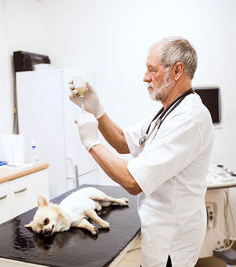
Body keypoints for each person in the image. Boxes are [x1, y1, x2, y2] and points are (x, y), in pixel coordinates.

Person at [69, 36, 214, 267]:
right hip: (157, 229)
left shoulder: (189, 118)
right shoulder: (166, 113)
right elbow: (120, 141)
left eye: (151, 70)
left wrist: (91, 143)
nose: (145, 77)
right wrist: (97, 109)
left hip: (172, 241)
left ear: (177, 70)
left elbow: (133, 181)